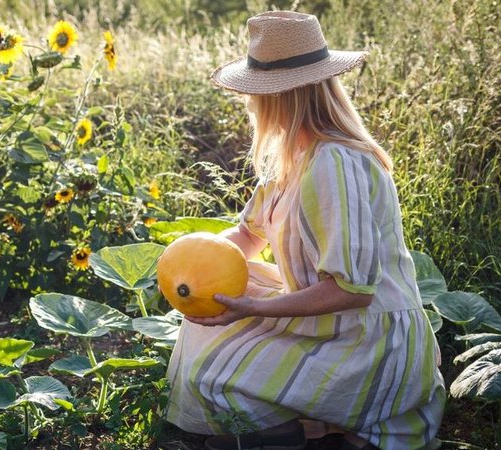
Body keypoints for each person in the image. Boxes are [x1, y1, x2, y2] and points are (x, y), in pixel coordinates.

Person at [163, 11, 446, 450]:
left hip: (366, 336)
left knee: (210, 367)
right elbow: (247, 238)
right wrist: (184, 264)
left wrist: (250, 310)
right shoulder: (291, 159)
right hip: (329, 320)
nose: (250, 104)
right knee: (210, 325)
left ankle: (311, 432)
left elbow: (353, 291)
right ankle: (307, 427)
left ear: (281, 97)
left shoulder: (336, 163)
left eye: (254, 95)